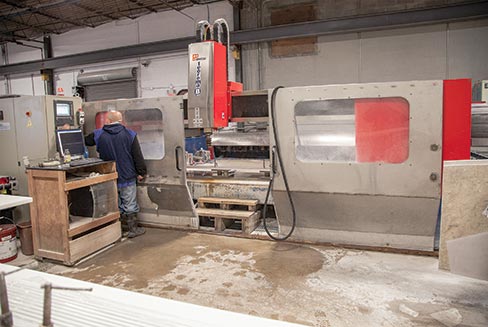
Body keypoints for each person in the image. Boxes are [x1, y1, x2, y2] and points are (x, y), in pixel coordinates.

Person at [85, 111, 146, 238]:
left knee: (114, 203)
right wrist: (141, 172)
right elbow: (137, 155)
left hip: (109, 175)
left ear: (107, 120)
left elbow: (86, 141)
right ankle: (132, 229)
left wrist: (69, 130)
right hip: (127, 174)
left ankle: (118, 229)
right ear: (121, 120)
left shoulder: (99, 134)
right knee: (129, 203)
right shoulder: (130, 134)